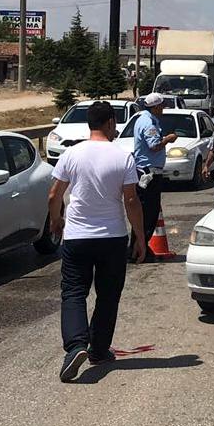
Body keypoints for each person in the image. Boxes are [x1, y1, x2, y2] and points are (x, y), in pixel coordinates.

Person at [48, 101, 147, 384]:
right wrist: (139, 237)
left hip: (77, 236)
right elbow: (131, 200)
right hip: (112, 237)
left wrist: (56, 221)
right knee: (108, 295)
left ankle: (76, 346)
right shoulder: (123, 157)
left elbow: (54, 195)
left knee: (74, 292)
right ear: (110, 123)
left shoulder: (71, 154)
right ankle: (99, 350)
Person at [132, 93, 178, 259]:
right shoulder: (149, 122)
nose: (163, 108)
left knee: (144, 212)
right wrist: (168, 139)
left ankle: (138, 248)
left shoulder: (143, 119)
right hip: (149, 172)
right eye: (162, 106)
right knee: (149, 213)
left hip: (146, 170)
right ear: (156, 107)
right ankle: (140, 250)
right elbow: (154, 145)